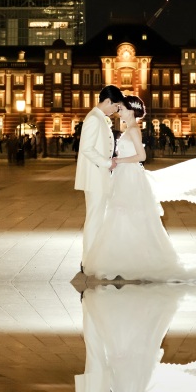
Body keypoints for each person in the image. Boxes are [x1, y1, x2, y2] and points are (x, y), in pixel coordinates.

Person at [84, 95, 196, 282]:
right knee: (122, 215)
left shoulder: (134, 129)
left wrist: (118, 160)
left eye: (122, 109)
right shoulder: (128, 129)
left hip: (131, 177)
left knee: (129, 215)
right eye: (119, 109)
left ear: (132, 111)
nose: (119, 112)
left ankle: (132, 258)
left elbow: (142, 155)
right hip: (123, 176)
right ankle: (122, 257)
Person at [74, 85, 125, 272]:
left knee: (97, 218)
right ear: (108, 101)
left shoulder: (98, 118)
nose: (116, 111)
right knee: (94, 218)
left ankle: (92, 259)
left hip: (99, 176)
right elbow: (86, 148)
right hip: (95, 176)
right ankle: (87, 262)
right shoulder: (94, 119)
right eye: (116, 106)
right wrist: (107, 163)